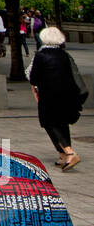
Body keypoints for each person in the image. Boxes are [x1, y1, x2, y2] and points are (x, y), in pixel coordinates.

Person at [28, 27, 87, 170]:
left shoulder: (40, 55)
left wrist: (36, 89)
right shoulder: (64, 54)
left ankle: (69, 152)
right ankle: (63, 156)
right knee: (62, 123)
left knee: (49, 123)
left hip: (49, 95)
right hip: (67, 95)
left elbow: (33, 77)